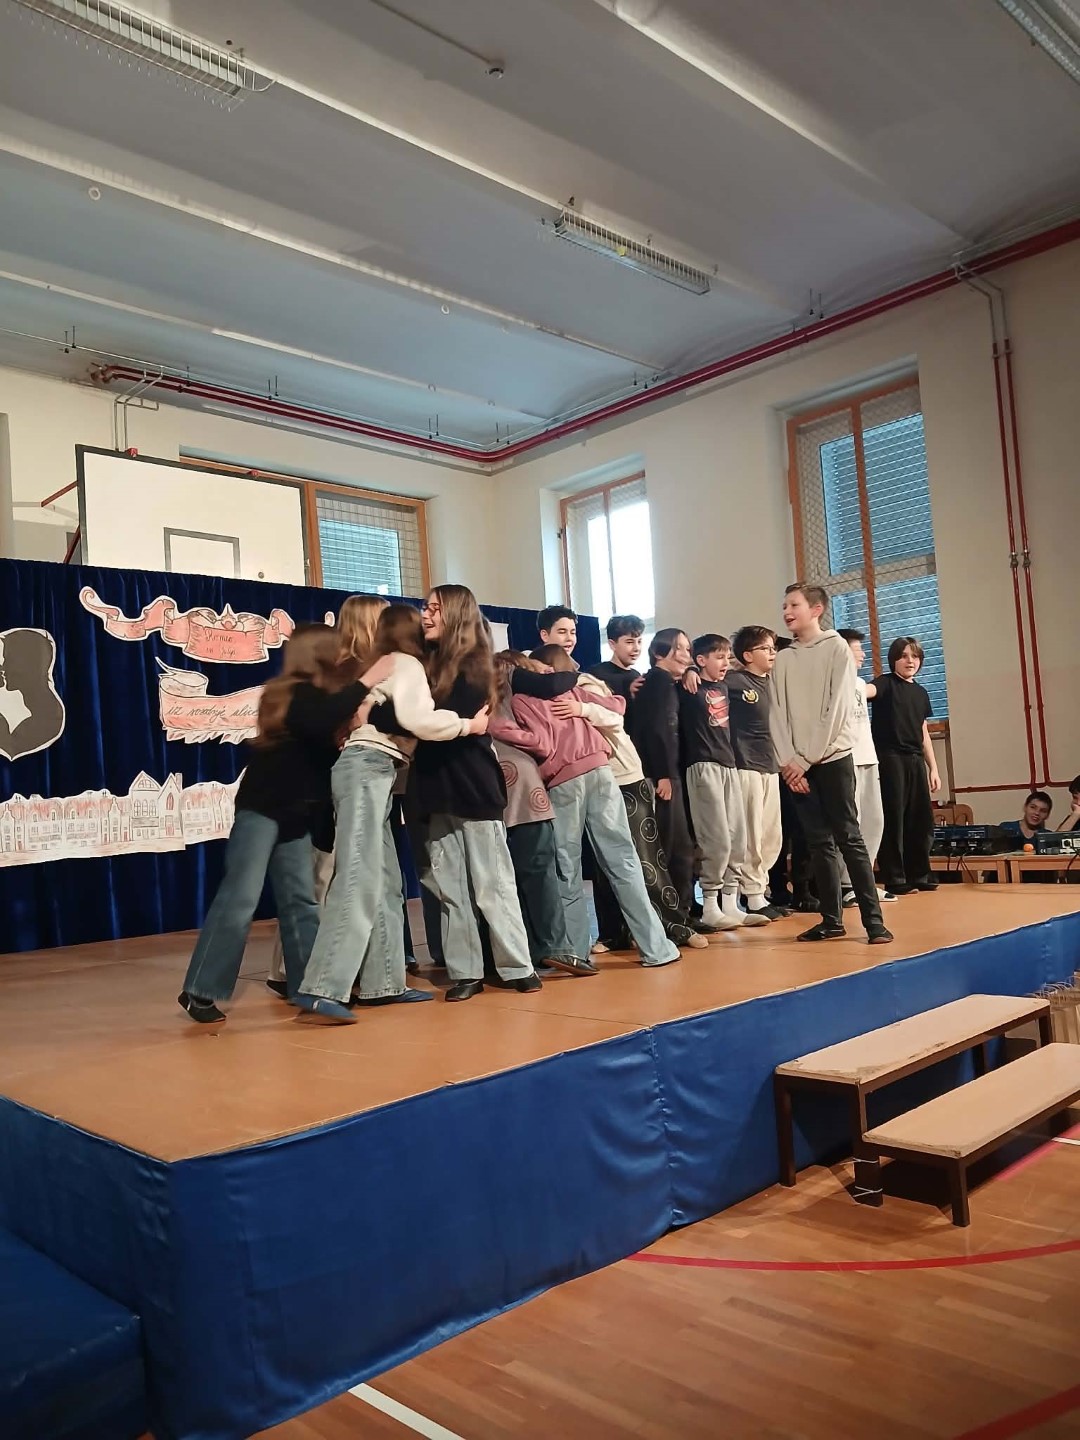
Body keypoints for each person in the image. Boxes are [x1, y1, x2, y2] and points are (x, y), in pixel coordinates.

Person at [178, 625, 391, 1023]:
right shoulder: (294, 693)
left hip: (294, 812)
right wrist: (366, 681)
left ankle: (310, 989)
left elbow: (318, 750)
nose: (341, 655)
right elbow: (317, 722)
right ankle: (200, 989)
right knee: (241, 896)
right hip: (263, 807)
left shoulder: (315, 698)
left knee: (300, 901)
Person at [295, 605, 490, 1023]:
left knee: (385, 881)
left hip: (375, 769)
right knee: (358, 877)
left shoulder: (386, 664)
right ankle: (323, 987)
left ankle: (383, 983)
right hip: (368, 766)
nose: (429, 623)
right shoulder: (405, 662)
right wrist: (467, 726)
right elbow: (416, 719)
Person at [490, 648, 681, 969]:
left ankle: (577, 952)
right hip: (602, 772)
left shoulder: (519, 701)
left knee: (568, 868)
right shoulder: (566, 686)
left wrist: (498, 728)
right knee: (624, 860)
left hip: (564, 782)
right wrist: (582, 710)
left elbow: (541, 744)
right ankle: (657, 948)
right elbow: (617, 704)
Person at [414, 584, 540, 1001]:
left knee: (493, 882)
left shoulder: (475, 666)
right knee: (449, 887)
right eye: (425, 607)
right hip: (434, 788)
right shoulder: (422, 665)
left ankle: (517, 965)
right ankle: (465, 971)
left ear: (456, 614)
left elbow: (440, 718)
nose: (425, 615)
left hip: (474, 787)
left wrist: (435, 720)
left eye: (435, 608)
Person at [265, 594, 391, 998]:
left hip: (327, 780)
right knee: (323, 877)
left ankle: (292, 969)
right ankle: (300, 971)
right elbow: (331, 722)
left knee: (322, 876)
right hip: (328, 782)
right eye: (384, 619)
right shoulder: (350, 670)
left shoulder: (347, 668)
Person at [540, 645, 705, 952]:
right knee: (604, 864)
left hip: (625, 777)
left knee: (644, 858)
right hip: (591, 780)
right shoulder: (547, 694)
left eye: (572, 631)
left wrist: (583, 709)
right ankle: (614, 933)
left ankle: (674, 926)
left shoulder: (584, 684)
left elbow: (616, 713)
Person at [769, 584, 891, 945]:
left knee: (849, 838)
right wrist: (788, 763)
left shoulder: (836, 647)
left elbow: (837, 709)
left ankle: (874, 922)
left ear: (816, 609)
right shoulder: (784, 658)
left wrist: (804, 759)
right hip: (796, 766)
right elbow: (776, 714)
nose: (787, 611)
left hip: (832, 759)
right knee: (818, 843)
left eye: (794, 604)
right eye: (784, 605)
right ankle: (831, 920)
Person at [490, 651, 596, 977]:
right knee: (540, 871)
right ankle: (555, 946)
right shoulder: (517, 691)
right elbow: (540, 741)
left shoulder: (481, 694)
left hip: (494, 790)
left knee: (510, 876)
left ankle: (527, 950)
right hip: (525, 789)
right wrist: (538, 743)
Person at [680, 634, 768, 930]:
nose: (725, 662)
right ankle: (709, 906)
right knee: (715, 838)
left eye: (728, 657)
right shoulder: (689, 687)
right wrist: (689, 671)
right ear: (701, 660)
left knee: (738, 837)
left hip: (729, 764)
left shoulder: (726, 685)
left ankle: (731, 903)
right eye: (719, 657)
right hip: (703, 766)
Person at [630, 629, 697, 918]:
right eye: (678, 648)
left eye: (687, 649)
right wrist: (664, 775)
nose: (685, 655)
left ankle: (682, 910)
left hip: (670, 773)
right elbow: (657, 730)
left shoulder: (665, 682)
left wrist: (691, 670)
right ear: (659, 652)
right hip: (663, 776)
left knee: (681, 846)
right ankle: (672, 914)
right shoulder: (657, 682)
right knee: (671, 846)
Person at [871, 637, 941, 895]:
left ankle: (920, 873)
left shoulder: (921, 693)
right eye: (903, 656)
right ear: (893, 660)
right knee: (894, 817)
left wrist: (933, 768)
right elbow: (865, 691)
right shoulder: (885, 683)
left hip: (915, 760)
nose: (910, 661)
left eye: (914, 656)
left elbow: (924, 733)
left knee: (920, 819)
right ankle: (895, 877)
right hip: (890, 758)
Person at [728, 626, 787, 920]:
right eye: (765, 648)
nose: (772, 653)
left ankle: (760, 890)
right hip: (745, 765)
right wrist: (689, 672)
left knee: (770, 835)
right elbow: (705, 681)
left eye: (773, 648)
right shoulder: (735, 681)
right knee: (751, 833)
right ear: (748, 655)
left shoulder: (775, 683)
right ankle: (752, 896)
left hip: (771, 766)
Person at [836, 629, 893, 907]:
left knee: (874, 820)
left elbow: (881, 687)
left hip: (869, 758)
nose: (862, 654)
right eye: (857, 649)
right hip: (847, 759)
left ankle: (865, 881)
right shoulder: (833, 682)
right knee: (852, 823)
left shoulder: (859, 683)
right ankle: (846, 884)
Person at [590, 614, 646, 704]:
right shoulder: (597, 674)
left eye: (639, 641)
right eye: (629, 642)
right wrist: (629, 695)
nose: (637, 648)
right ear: (612, 644)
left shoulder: (636, 675)